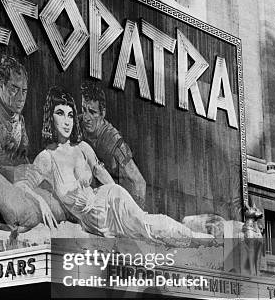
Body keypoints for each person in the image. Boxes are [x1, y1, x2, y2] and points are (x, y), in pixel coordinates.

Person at [18, 86, 209, 242]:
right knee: (145, 232)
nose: (67, 121)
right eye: (60, 113)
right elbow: (22, 185)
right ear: (50, 117)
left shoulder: (83, 147)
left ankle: (198, 238)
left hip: (110, 201)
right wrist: (41, 202)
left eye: (70, 115)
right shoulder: (46, 157)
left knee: (147, 225)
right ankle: (196, 237)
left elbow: (103, 176)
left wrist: (122, 198)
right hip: (93, 221)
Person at [80, 79, 146, 208]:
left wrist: (138, 216)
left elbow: (139, 181)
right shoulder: (76, 124)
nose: (86, 117)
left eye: (92, 112)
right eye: (84, 109)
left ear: (102, 113)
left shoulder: (115, 141)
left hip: (112, 201)